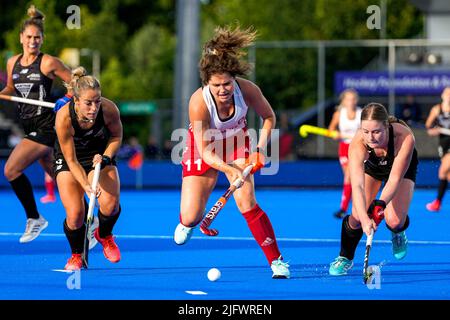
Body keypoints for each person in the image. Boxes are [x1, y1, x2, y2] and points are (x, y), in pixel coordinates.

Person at [173, 25, 290, 279]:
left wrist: (259, 149)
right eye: (217, 85)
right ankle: (187, 222)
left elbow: (268, 117)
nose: (223, 90)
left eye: (227, 83)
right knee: (191, 216)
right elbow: (205, 151)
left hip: (237, 143)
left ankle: (277, 261)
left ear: (234, 79)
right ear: (207, 82)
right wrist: (229, 170)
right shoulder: (198, 102)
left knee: (247, 202)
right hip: (203, 148)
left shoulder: (246, 89)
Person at [0, 6, 72, 243]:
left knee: (11, 170)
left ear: (42, 40)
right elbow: (12, 89)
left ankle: (34, 218)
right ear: (21, 38)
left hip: (47, 125)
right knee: (60, 176)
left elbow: (77, 83)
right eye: (29, 37)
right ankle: (84, 222)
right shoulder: (12, 62)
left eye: (37, 38)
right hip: (28, 124)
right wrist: (3, 93)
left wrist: (66, 99)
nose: (33, 41)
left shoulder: (48, 62)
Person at [328, 102, 418, 276]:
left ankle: (398, 232)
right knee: (355, 216)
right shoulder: (358, 144)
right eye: (366, 131)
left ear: (386, 126)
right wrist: (364, 218)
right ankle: (344, 257)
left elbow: (394, 179)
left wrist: (380, 204)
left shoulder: (404, 138)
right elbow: (357, 185)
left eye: (376, 132)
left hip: (399, 168)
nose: (371, 137)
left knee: (394, 221)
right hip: (373, 168)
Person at [54, 67, 123, 270]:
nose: (94, 108)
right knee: (76, 215)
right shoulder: (63, 118)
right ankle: (76, 255)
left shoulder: (109, 110)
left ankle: (104, 235)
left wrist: (107, 157)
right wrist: (85, 185)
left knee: (110, 204)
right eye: (88, 103)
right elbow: (71, 159)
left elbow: (116, 137)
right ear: (75, 101)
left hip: (99, 156)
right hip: (70, 159)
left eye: (97, 101)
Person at [327, 89, 362, 218]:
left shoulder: (361, 113)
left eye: (353, 99)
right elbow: (331, 129)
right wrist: (335, 134)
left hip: (358, 147)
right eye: (348, 99)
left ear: (356, 100)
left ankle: (343, 208)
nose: (351, 102)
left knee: (350, 177)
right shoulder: (339, 114)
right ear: (344, 101)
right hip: (344, 148)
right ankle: (357, 208)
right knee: (350, 178)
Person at [424, 87, 450, 212]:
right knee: (448, 175)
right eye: (447, 94)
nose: (449, 96)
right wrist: (436, 130)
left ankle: (437, 202)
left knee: (442, 170)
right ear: (442, 95)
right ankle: (438, 202)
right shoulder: (436, 109)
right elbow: (428, 126)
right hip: (443, 145)